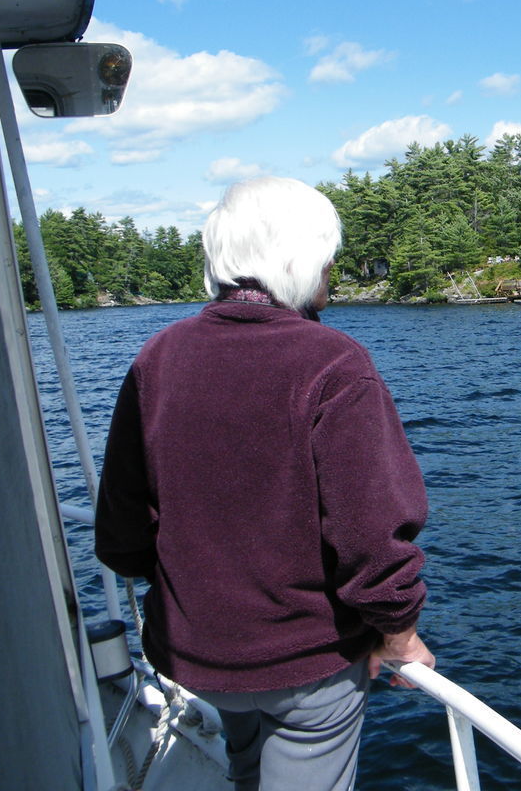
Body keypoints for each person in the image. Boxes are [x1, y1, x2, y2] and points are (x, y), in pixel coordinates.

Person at [95, 176, 433, 791]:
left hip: (195, 652)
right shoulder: (333, 363)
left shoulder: (159, 357)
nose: (332, 278)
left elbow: (122, 530)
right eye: (329, 261)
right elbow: (370, 533)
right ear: (303, 260)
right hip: (305, 664)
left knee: (247, 764)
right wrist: (401, 631)